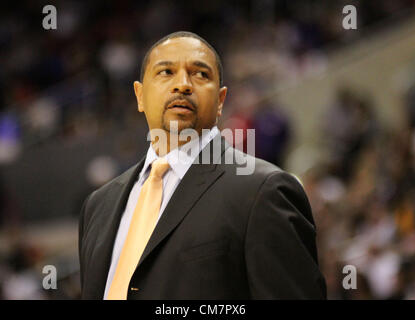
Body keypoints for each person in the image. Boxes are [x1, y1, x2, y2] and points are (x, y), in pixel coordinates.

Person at [78, 31, 326, 299]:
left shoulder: (264, 191)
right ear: (139, 95)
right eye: (166, 72)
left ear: (220, 101)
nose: (182, 84)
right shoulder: (97, 205)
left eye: (200, 74)